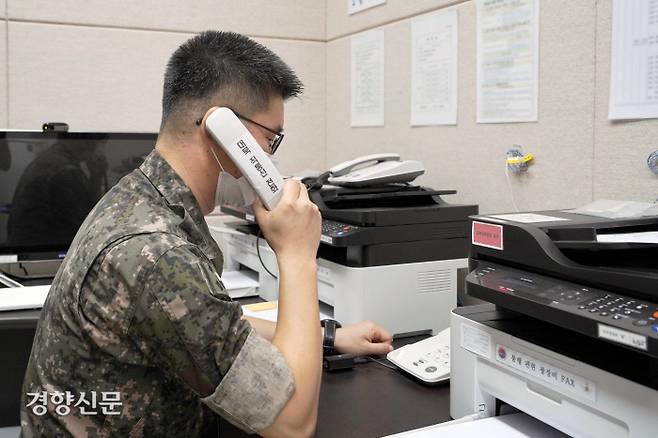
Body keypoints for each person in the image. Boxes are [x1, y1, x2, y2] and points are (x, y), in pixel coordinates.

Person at [21, 30, 393, 437]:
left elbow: (215, 327)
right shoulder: (157, 252)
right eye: (270, 139)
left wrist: (330, 337)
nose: (269, 157)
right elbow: (292, 423)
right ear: (223, 130)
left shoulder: (141, 196)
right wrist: (297, 254)